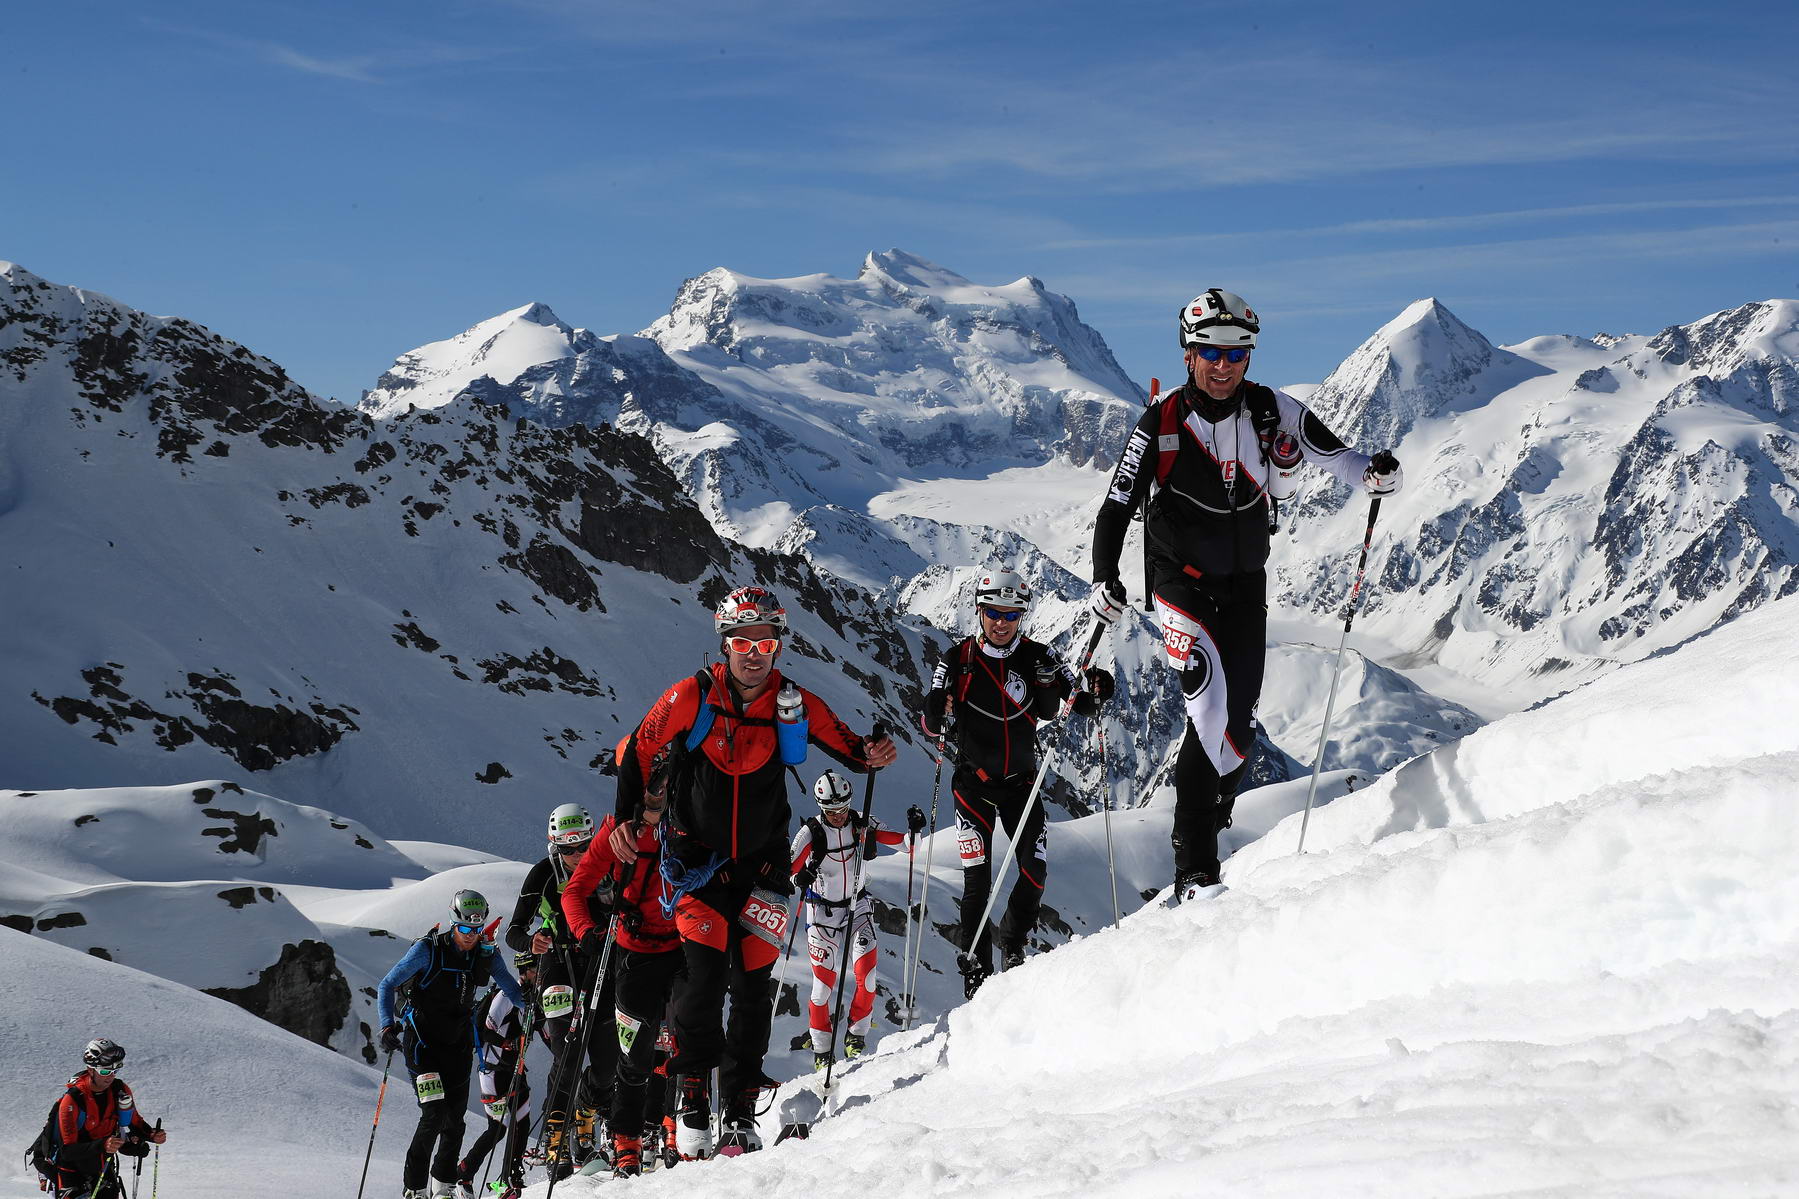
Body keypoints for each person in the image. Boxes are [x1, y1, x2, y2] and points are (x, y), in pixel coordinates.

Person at [1089, 288, 1402, 902]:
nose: (1224, 365)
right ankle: (1197, 872)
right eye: (1211, 352)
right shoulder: (1160, 422)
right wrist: (1105, 576)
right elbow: (1117, 503)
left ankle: (1213, 806)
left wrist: (1376, 474)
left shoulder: (1271, 409)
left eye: (1236, 353)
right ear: (1188, 354)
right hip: (1179, 584)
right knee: (1206, 712)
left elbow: (1338, 458)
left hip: (1245, 584)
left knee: (1237, 728)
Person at [604, 583, 897, 1158]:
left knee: (754, 985)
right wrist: (624, 818)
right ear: (725, 642)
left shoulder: (794, 702)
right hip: (695, 867)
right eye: (743, 640)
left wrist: (874, 752)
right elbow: (639, 747)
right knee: (705, 980)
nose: (755, 652)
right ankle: (692, 1090)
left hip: (763, 866)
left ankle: (738, 1103)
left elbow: (849, 747)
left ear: (778, 647)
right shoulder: (692, 696)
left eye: (765, 641)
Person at [922, 568, 1112, 997]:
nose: (1001, 621)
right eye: (993, 612)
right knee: (977, 881)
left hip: (1022, 785)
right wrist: (935, 707)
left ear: (1022, 615)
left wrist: (1101, 687)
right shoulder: (957, 660)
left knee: (1035, 870)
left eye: (1011, 613)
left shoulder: (1039, 657)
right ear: (979, 610)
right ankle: (976, 968)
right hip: (973, 785)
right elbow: (931, 722)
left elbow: (1080, 701)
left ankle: (1011, 942)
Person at [378, 889, 527, 1199]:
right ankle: (415, 1188)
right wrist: (386, 1025)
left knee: (455, 1120)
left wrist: (533, 1007)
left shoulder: (486, 954)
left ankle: (443, 1185)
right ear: (453, 923)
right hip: (423, 1045)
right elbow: (387, 984)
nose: (471, 936)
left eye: (476, 929)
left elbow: (511, 988)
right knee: (433, 1114)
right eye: (464, 929)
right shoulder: (427, 950)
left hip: (458, 1045)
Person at [560, 809, 683, 1177]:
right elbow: (574, 892)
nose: (656, 795)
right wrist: (584, 933)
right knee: (634, 1052)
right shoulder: (617, 831)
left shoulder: (691, 817)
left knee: (679, 1041)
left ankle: (677, 1126)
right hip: (631, 952)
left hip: (683, 946)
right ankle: (626, 1140)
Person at [501, 803, 613, 1175]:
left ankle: (585, 1112)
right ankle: (554, 1138)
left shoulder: (609, 866)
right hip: (558, 966)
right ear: (554, 848)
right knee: (567, 1052)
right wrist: (530, 942)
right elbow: (514, 930)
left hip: (601, 967)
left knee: (607, 1060)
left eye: (584, 845)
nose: (578, 856)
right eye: (568, 850)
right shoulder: (542, 875)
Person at [789, 770, 925, 1067]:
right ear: (820, 806)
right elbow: (788, 870)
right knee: (823, 987)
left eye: (843, 808)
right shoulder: (810, 833)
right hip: (822, 915)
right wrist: (803, 875)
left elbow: (906, 844)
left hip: (858, 906)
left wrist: (915, 829)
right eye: (831, 811)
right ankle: (823, 1051)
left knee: (869, 976)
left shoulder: (863, 822)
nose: (838, 816)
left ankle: (856, 1034)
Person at [452, 952, 539, 1199]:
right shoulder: (505, 996)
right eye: (535, 969)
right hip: (493, 1071)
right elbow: (484, 1031)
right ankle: (464, 1173)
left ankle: (510, 1176)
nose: (539, 974)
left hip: (514, 1069)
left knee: (522, 1123)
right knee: (498, 1130)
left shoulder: (530, 999)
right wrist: (509, 1044)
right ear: (524, 972)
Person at [36, 1039, 167, 1199]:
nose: (110, 1077)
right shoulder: (73, 1100)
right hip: (71, 1171)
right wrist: (103, 1144)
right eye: (105, 1072)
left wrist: (152, 1135)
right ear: (90, 1070)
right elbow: (67, 1151)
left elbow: (135, 1123)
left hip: (102, 1165)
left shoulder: (120, 1090)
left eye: (115, 1070)